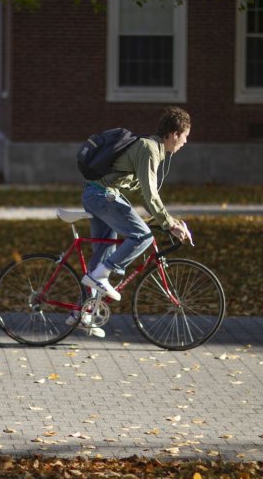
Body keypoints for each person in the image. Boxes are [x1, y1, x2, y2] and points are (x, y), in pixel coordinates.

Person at [72, 107, 192, 334]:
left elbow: (146, 198)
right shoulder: (149, 149)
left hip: (98, 195)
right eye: (185, 136)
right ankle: (102, 275)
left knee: (103, 253)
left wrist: (169, 220)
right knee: (143, 236)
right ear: (175, 133)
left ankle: (81, 313)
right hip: (102, 196)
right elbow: (150, 195)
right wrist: (169, 224)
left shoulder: (150, 147)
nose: (185, 142)